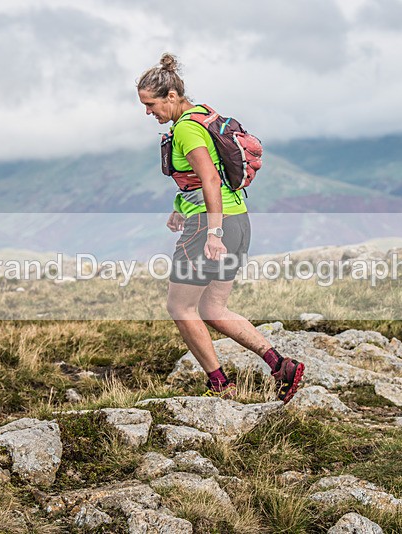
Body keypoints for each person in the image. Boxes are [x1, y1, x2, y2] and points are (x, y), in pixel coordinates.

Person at [136, 53, 305, 403]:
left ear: (171, 96)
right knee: (213, 309)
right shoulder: (203, 114)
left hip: (210, 227)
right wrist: (180, 207)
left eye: (151, 104)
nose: (148, 112)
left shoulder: (186, 128)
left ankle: (220, 385)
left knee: (180, 308)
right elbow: (203, 178)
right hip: (238, 221)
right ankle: (281, 366)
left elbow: (211, 178)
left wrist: (212, 234)